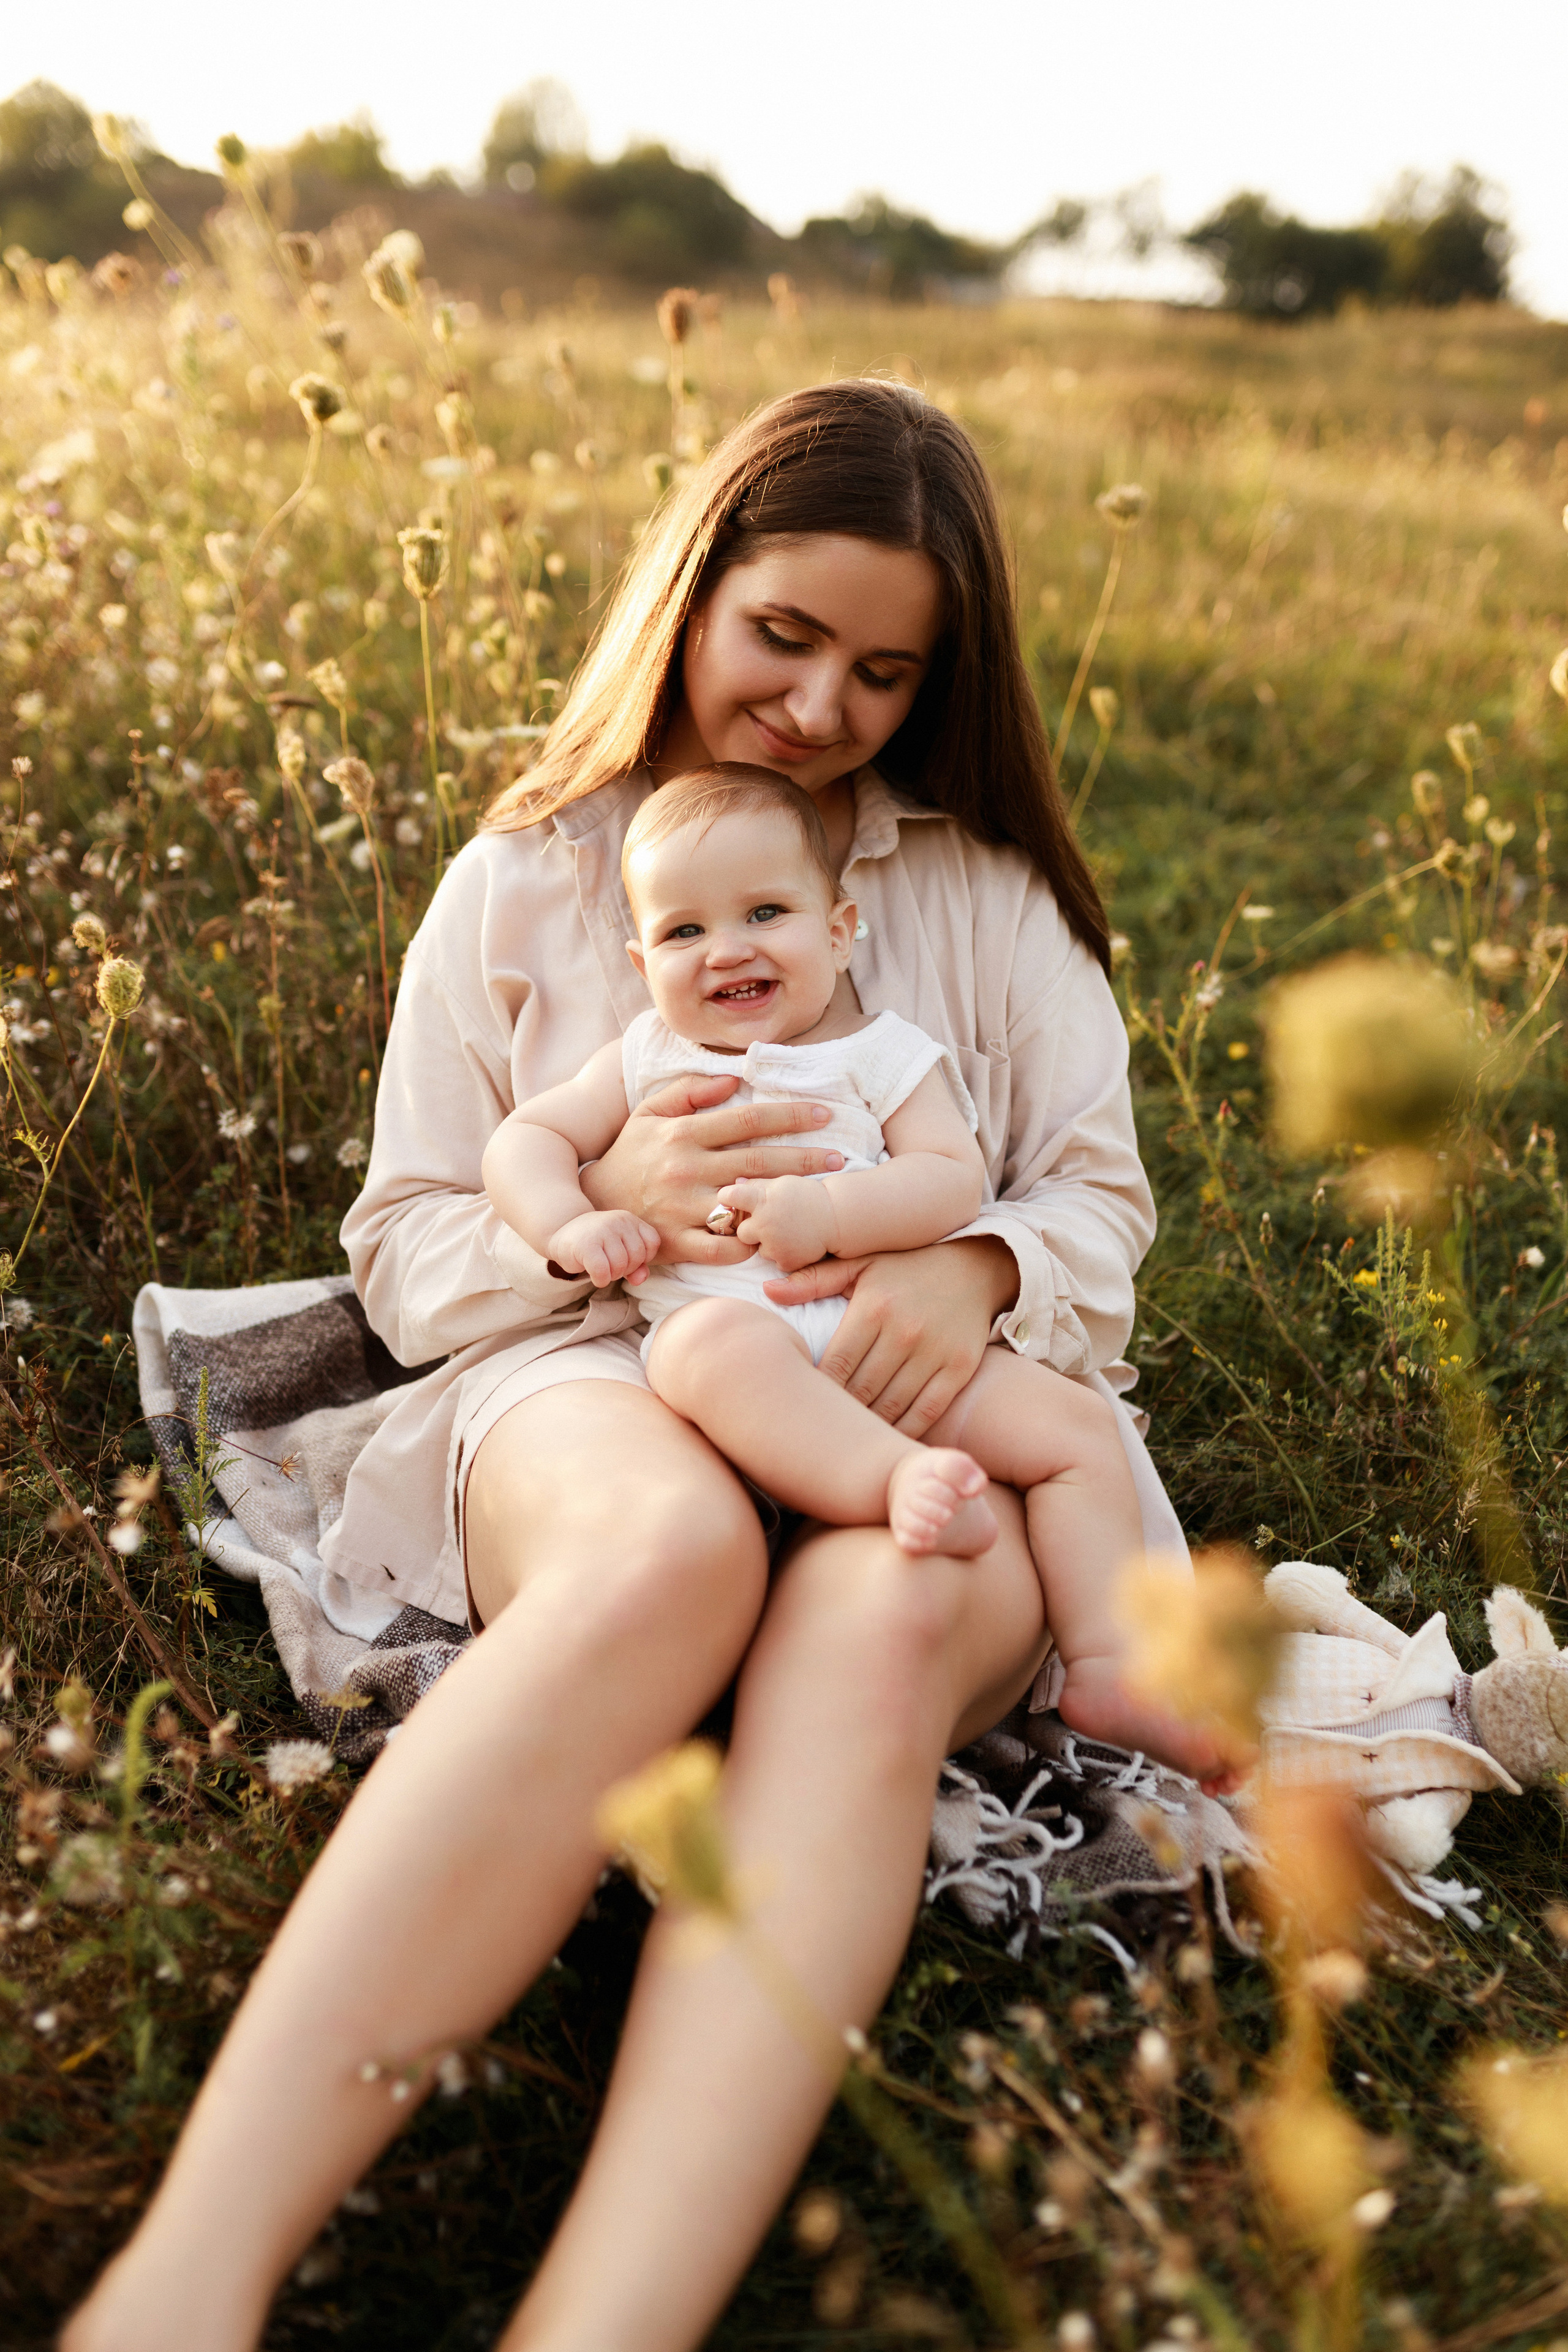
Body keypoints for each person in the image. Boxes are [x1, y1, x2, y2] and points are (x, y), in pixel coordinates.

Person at [66, 377, 1191, 2352]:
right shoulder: (522, 881)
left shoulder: (985, 901)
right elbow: (411, 1238)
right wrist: (604, 1210)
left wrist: (986, 1259)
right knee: (671, 1557)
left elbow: (1102, 1200)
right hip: (598, 1371)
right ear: (694, 589)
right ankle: (181, 2290)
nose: (824, 703)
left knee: (874, 1614)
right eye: (785, 634)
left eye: (885, 669)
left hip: (920, 1404)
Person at [486, 763, 1223, 1779]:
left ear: (838, 930)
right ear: (640, 958)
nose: (728, 949)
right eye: (684, 932)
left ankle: (1111, 1663)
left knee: (1073, 1431)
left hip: (882, 1339)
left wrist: (827, 1212)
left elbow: (950, 1181)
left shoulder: (886, 1056)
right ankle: (893, 1480)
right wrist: (574, 1220)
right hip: (740, 1354)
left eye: (764, 913)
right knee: (703, 1348)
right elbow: (523, 1143)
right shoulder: (644, 1057)